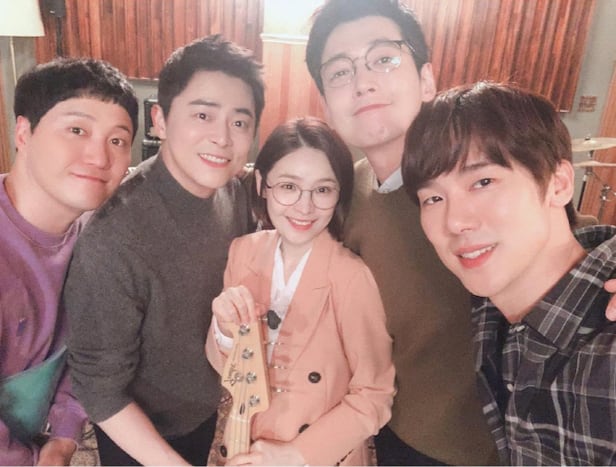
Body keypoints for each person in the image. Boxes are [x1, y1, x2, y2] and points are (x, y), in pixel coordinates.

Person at [305, 1, 498, 464]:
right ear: (327, 104)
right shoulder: (347, 191)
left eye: (384, 58)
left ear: (427, 80)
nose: (363, 82)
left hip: (493, 447)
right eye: (340, 72)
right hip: (391, 431)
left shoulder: (484, 172)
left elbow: (571, 245)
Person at [62, 35, 264, 466]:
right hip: (137, 433)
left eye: (239, 122)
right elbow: (99, 389)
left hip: (202, 407)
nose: (222, 138)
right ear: (161, 120)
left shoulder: (232, 193)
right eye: (203, 115)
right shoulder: (114, 238)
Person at [401, 81, 616, 465]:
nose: (455, 222)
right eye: (433, 198)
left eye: (483, 182)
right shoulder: (493, 313)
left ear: (559, 183)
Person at [205, 116, 395, 466]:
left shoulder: (351, 277)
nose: (304, 207)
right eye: (288, 186)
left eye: (322, 190)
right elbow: (226, 368)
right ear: (262, 184)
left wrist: (297, 454)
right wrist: (224, 327)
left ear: (339, 194)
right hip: (248, 446)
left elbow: (375, 394)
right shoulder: (243, 252)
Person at [0, 57, 138, 466]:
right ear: (23, 132)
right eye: (77, 130)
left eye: (118, 140)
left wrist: (62, 439)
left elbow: (86, 351)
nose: (99, 157)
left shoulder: (95, 243)